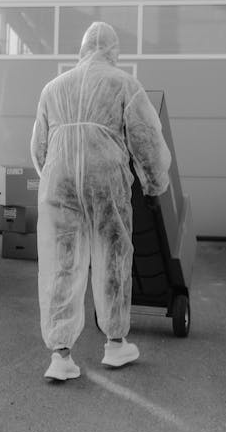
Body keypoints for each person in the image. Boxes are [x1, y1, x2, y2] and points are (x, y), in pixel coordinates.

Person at [30, 22, 171, 381]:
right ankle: (115, 343)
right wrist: (154, 183)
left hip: (58, 181)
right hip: (104, 179)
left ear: (81, 49)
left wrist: (56, 175)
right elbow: (146, 139)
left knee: (61, 261)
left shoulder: (53, 88)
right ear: (112, 50)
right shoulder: (123, 83)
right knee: (113, 257)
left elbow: (38, 148)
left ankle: (60, 356)